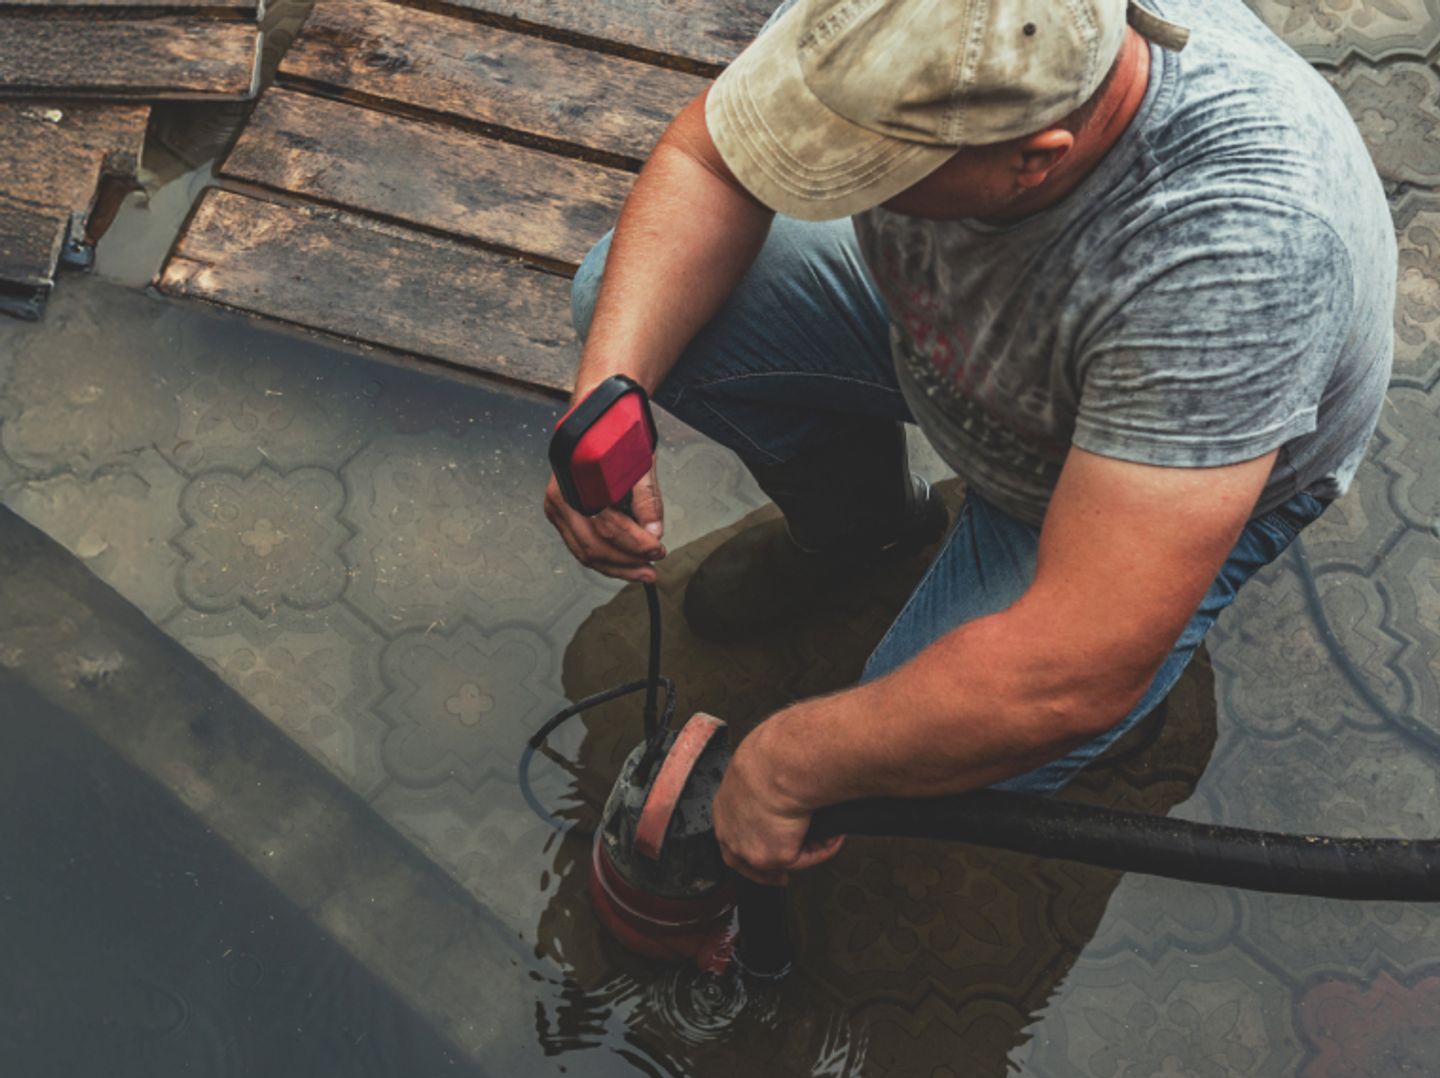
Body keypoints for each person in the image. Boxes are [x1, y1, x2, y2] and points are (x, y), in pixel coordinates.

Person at [543, 0, 1397, 885]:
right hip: (977, 342)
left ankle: (1134, 684)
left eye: (860, 163)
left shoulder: (1241, 256)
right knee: (626, 299)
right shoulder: (921, 26)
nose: (808, 173)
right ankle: (866, 531)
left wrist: (788, 761)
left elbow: (1073, 665)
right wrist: (606, 400)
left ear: (1034, 158)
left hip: (1141, 473)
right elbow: (713, 161)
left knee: (960, 751)